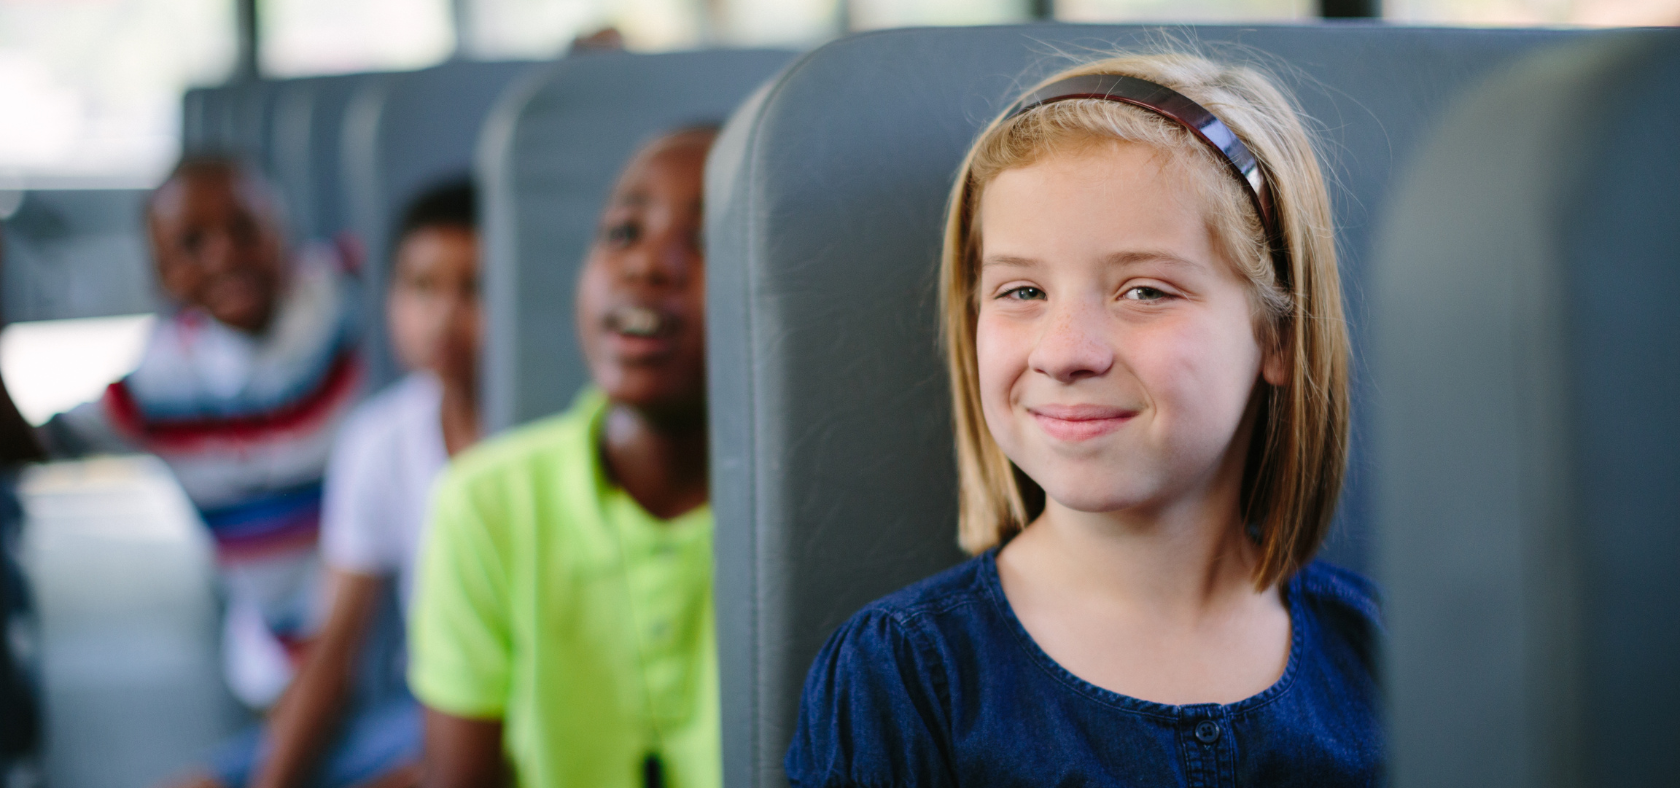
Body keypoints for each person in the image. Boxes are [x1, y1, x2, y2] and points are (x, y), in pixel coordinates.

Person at [786, 52, 1381, 786]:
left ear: (1277, 336)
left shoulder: (1385, 660)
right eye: (1022, 291)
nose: (1065, 353)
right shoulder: (905, 677)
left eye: (1145, 292)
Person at [408, 126, 717, 788]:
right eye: (623, 232)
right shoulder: (487, 502)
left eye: (706, 239)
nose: (646, 264)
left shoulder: (822, 522)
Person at [182, 179, 481, 788]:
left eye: (474, 289)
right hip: (412, 706)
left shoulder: (542, 439)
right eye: (421, 288)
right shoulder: (380, 438)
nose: (443, 316)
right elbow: (334, 646)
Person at [35, 156, 361, 712]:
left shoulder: (336, 294)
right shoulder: (160, 384)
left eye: (244, 229)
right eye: (191, 244)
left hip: (370, 615)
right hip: (273, 644)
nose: (223, 255)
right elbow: (35, 447)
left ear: (281, 232)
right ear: (161, 274)